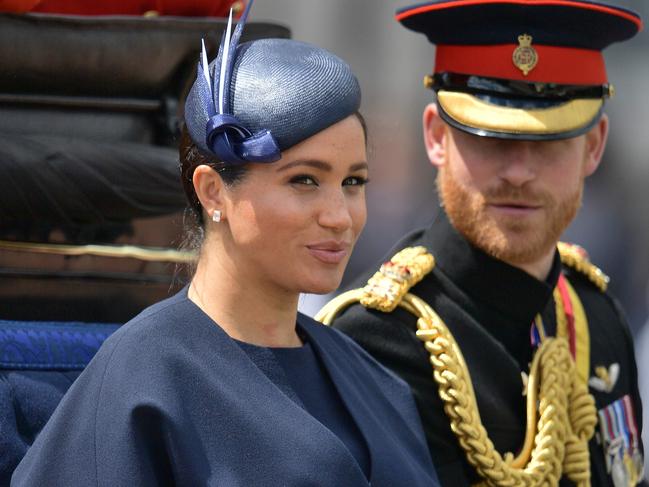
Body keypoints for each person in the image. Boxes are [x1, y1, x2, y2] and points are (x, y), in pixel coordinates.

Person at [10, 3, 439, 486]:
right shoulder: (145, 378)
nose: (340, 216)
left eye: (353, 182)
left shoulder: (375, 383)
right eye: (303, 181)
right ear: (213, 191)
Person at [322, 1, 645, 486]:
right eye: (490, 140)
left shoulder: (597, 315)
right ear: (436, 137)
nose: (518, 173)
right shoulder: (378, 339)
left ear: (594, 146)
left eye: (548, 143)